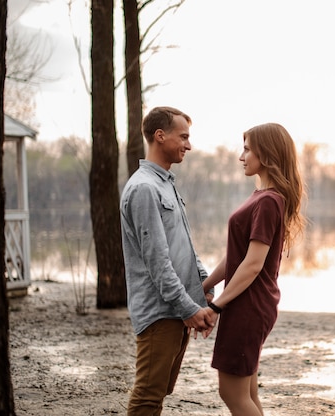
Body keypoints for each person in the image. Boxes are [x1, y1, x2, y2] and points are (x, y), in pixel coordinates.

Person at [201, 122, 306, 415]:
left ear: (267, 153)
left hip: (249, 306)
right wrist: (206, 285)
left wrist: (217, 306)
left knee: (232, 394)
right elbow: (237, 258)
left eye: (247, 149)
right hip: (246, 304)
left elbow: (253, 264)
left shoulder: (269, 202)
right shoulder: (262, 197)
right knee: (246, 394)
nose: (241, 156)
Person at [120, 106, 215, 415]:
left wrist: (203, 285)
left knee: (159, 393)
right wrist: (188, 308)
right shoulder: (144, 188)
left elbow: (182, 243)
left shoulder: (165, 182)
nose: (188, 145)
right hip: (160, 313)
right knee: (147, 397)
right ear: (160, 136)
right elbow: (158, 263)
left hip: (175, 310)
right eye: (183, 137)